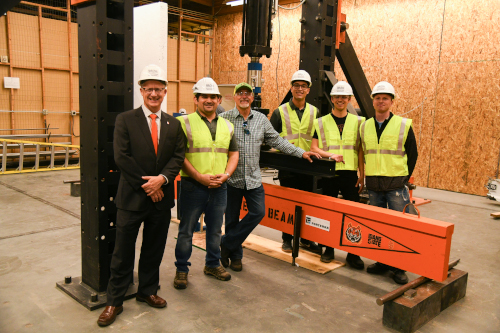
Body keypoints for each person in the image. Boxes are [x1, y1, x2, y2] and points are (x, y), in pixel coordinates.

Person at [97, 64, 185, 327]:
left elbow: (177, 156)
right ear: (141, 90)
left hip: (161, 199)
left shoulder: (173, 124)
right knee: (123, 251)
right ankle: (114, 300)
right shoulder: (126, 119)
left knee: (153, 249)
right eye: (149, 89)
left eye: (158, 89)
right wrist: (148, 186)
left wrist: (163, 180)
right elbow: (121, 156)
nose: (154, 93)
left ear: (165, 91)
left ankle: (148, 290)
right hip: (133, 199)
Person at [219, 83, 323, 271]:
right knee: (232, 219)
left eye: (247, 94)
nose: (244, 96)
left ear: (252, 98)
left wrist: (301, 153)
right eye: (240, 93)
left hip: (253, 179)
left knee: (258, 212)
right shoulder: (223, 119)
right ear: (234, 97)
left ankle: (226, 243)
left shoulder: (260, 119)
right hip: (231, 179)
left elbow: (277, 140)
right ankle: (235, 256)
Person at [173, 77, 239, 289]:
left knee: (215, 229)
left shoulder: (227, 125)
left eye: (213, 97)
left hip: (220, 187)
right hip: (193, 186)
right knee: (187, 230)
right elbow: (179, 155)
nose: (209, 100)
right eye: (204, 96)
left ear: (219, 99)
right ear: (196, 99)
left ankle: (212, 264)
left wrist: (226, 175)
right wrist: (198, 177)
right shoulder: (182, 123)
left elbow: (234, 154)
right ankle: (181, 270)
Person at [360, 81, 418, 284]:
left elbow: (412, 153)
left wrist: (403, 177)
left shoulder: (403, 125)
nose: (381, 101)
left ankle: (400, 267)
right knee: (378, 227)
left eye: (385, 98)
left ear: (391, 101)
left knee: (399, 227)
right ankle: (383, 261)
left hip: (395, 186)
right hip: (374, 186)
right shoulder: (365, 125)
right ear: (373, 101)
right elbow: (365, 153)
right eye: (377, 98)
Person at [310, 81, 365, 269]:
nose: (340, 100)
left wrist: (362, 174)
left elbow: (360, 150)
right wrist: (330, 155)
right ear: (331, 99)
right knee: (328, 212)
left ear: (349, 99)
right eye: (337, 97)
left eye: (344, 97)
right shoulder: (321, 122)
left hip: (350, 173)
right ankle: (328, 249)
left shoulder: (359, 122)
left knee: (353, 213)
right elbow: (314, 148)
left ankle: (353, 253)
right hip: (329, 172)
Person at [270, 70, 322, 254]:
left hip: (308, 166)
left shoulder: (315, 112)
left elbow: (319, 138)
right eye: (296, 85)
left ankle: (306, 240)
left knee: (307, 204)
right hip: (288, 166)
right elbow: (271, 139)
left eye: (304, 86)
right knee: (288, 203)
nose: (300, 89)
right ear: (291, 88)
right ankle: (287, 239)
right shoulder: (279, 112)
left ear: (308, 90)